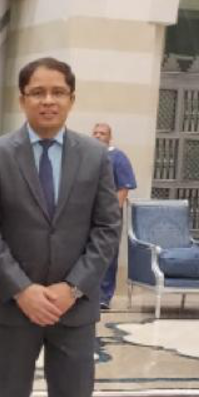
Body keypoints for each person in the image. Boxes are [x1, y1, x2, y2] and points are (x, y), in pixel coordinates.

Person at [0, 57, 121, 397]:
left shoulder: (96, 156)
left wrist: (72, 288)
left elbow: (106, 227)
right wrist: (22, 290)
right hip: (14, 308)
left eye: (58, 92)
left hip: (73, 310)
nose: (48, 100)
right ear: (22, 99)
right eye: (38, 92)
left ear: (71, 99)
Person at [91, 122, 138, 309]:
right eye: (94, 133)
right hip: (86, 215)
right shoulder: (89, 156)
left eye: (102, 133)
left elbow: (123, 188)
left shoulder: (118, 157)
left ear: (110, 137)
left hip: (108, 217)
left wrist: (112, 213)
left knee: (107, 255)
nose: (97, 136)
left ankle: (103, 297)